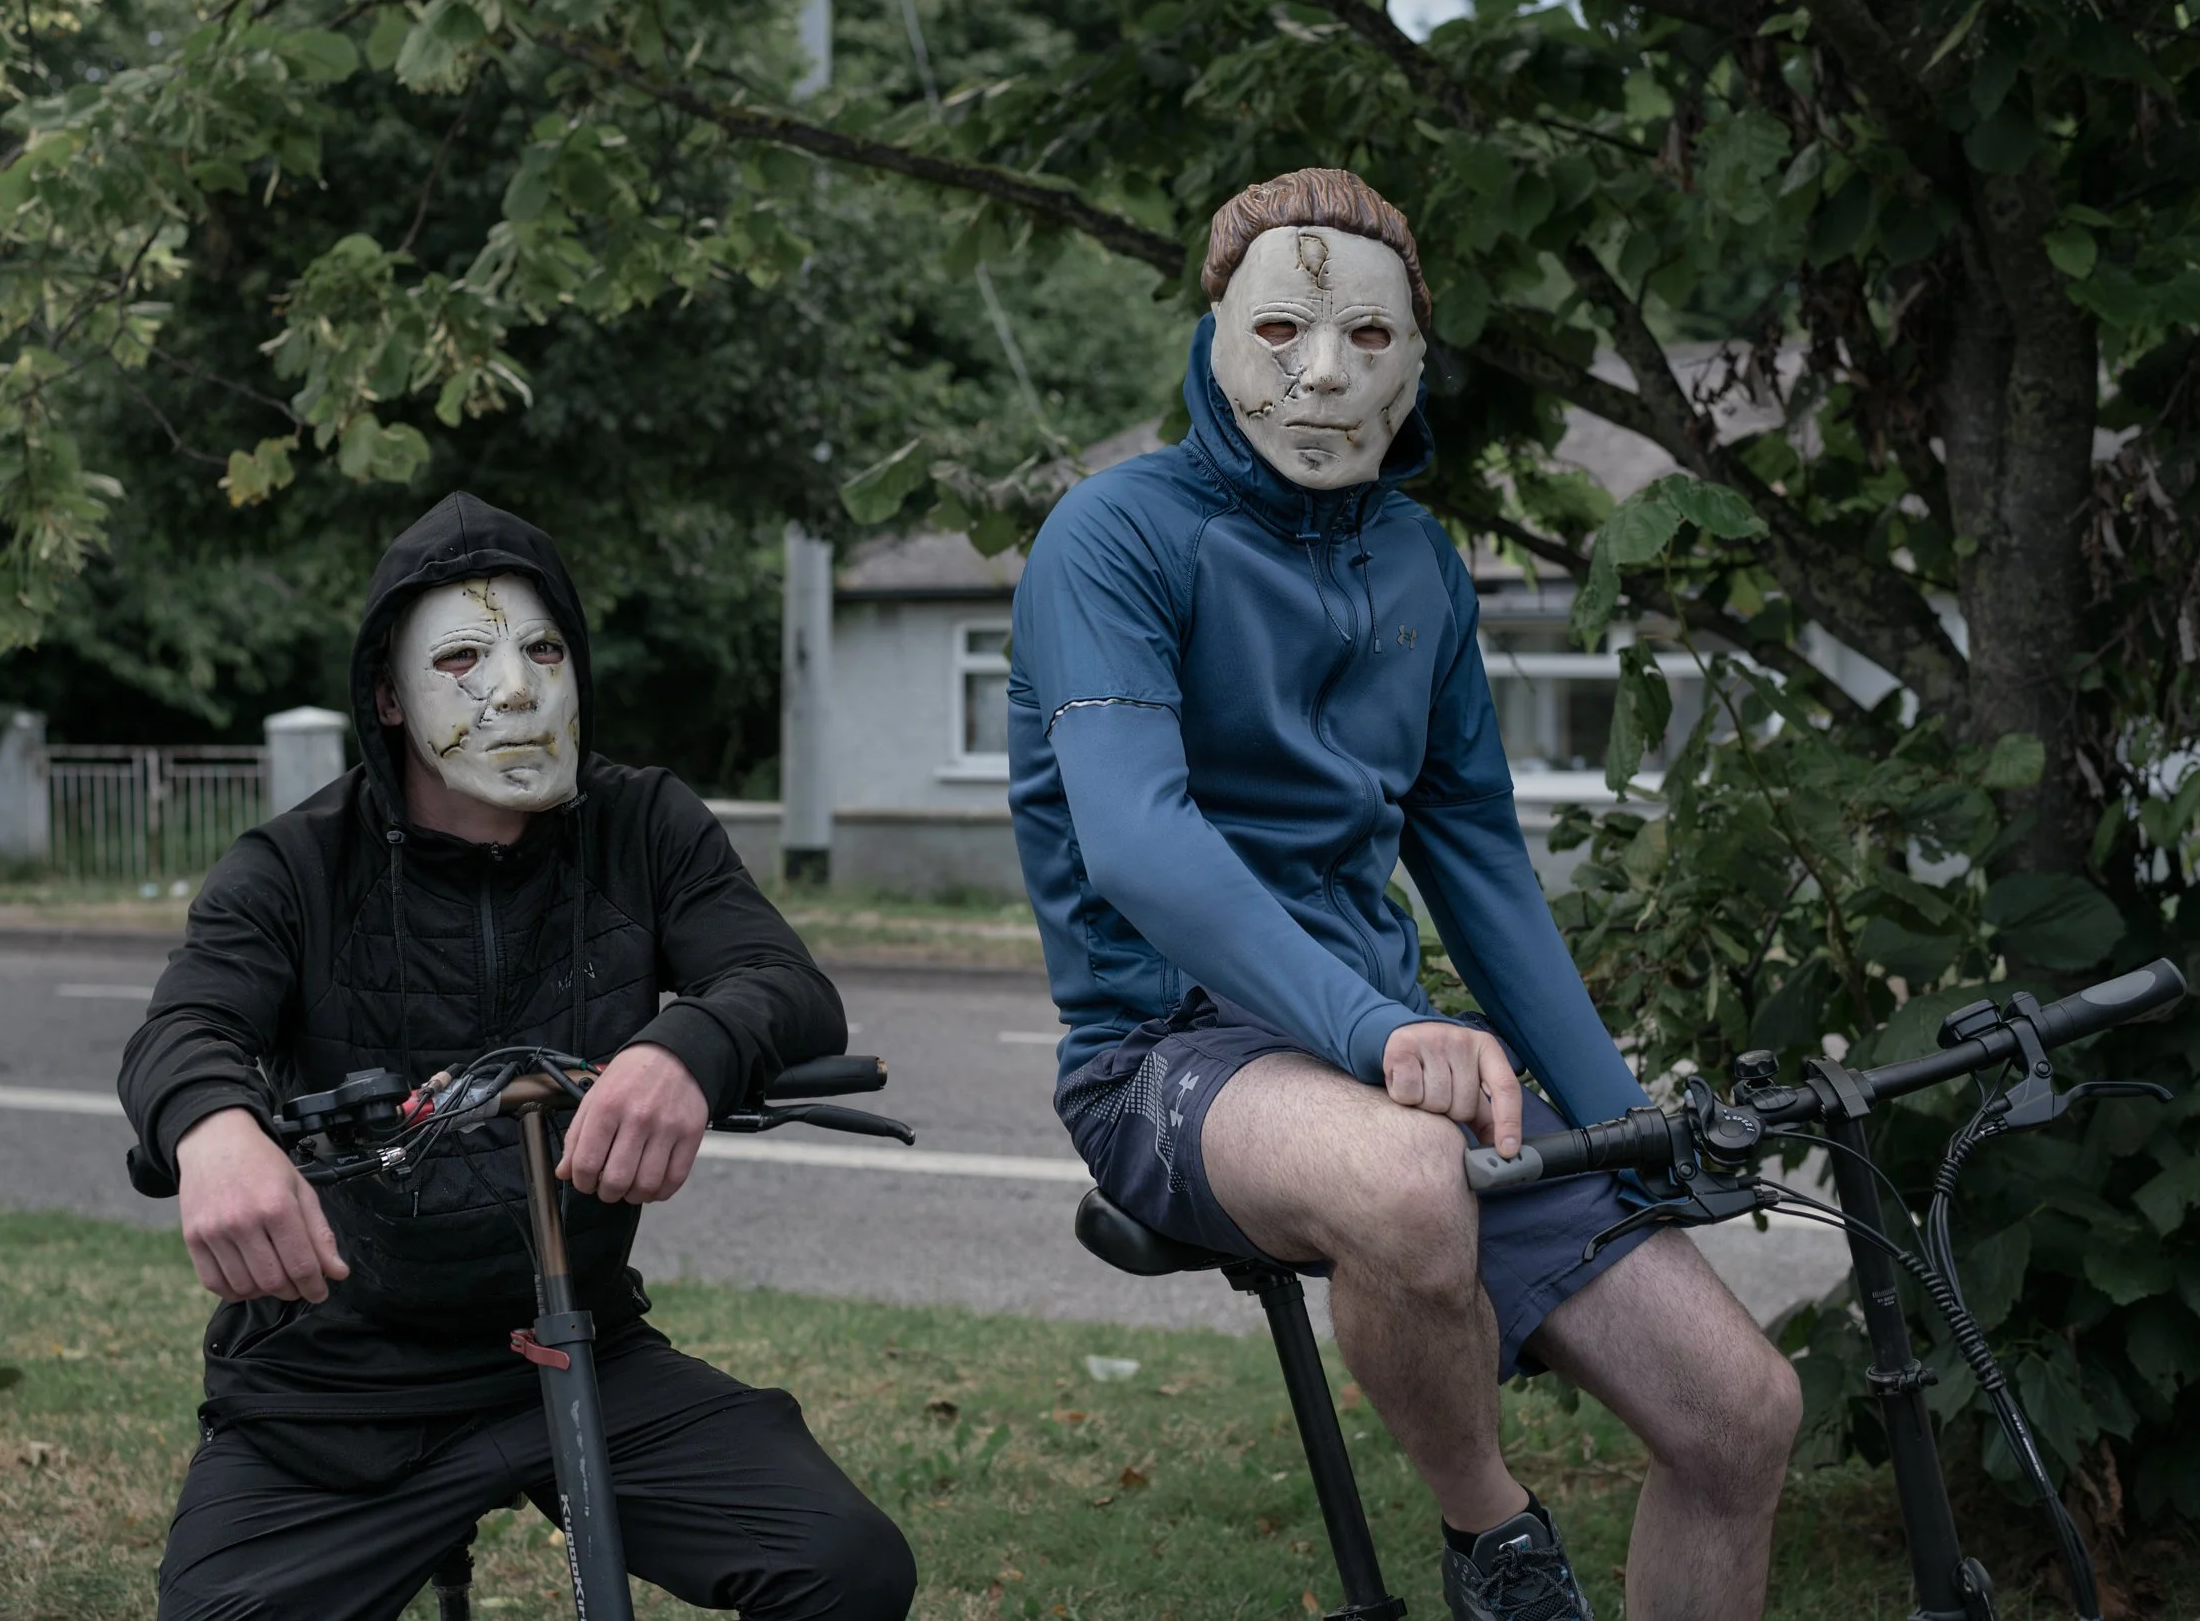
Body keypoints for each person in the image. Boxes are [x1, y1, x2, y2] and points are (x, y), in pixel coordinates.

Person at [1009, 170, 1801, 1621]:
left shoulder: (1421, 565)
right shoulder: (1110, 536)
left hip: (1378, 1054)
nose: (1321, 370)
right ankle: (1492, 1538)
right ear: (1215, 331)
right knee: (1404, 1176)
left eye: (1368, 337)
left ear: (1418, 357)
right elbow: (1134, 835)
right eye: (1285, 327)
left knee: (1742, 1414)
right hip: (1168, 1049)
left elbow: (1481, 863)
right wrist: (1377, 1028)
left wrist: (1625, 1123)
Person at [121, 492, 913, 1621]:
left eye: (545, 648)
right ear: (389, 696)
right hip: (337, 1381)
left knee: (846, 1564)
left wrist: (685, 1048)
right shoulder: (295, 863)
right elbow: (184, 1024)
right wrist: (213, 1129)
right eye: (461, 655)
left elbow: (781, 984)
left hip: (576, 1337)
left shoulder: (643, 824)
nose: (515, 686)